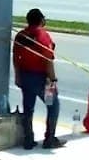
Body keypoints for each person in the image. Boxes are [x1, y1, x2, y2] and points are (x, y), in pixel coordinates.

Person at [13, 8, 66, 150]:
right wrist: (52, 79)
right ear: (41, 20)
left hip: (25, 77)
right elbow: (48, 59)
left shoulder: (21, 35)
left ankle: (28, 139)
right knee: (53, 106)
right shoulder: (43, 36)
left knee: (28, 108)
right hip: (43, 79)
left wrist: (17, 76)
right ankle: (49, 139)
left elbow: (15, 57)